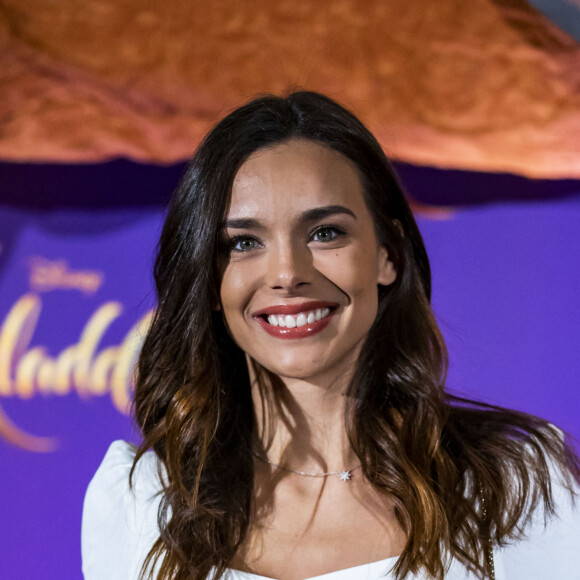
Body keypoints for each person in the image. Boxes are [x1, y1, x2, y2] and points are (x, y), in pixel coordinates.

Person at [82, 91, 580, 580]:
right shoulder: (142, 501)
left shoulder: (514, 481)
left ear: (388, 254)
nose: (287, 273)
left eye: (325, 232)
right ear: (210, 282)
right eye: (244, 242)